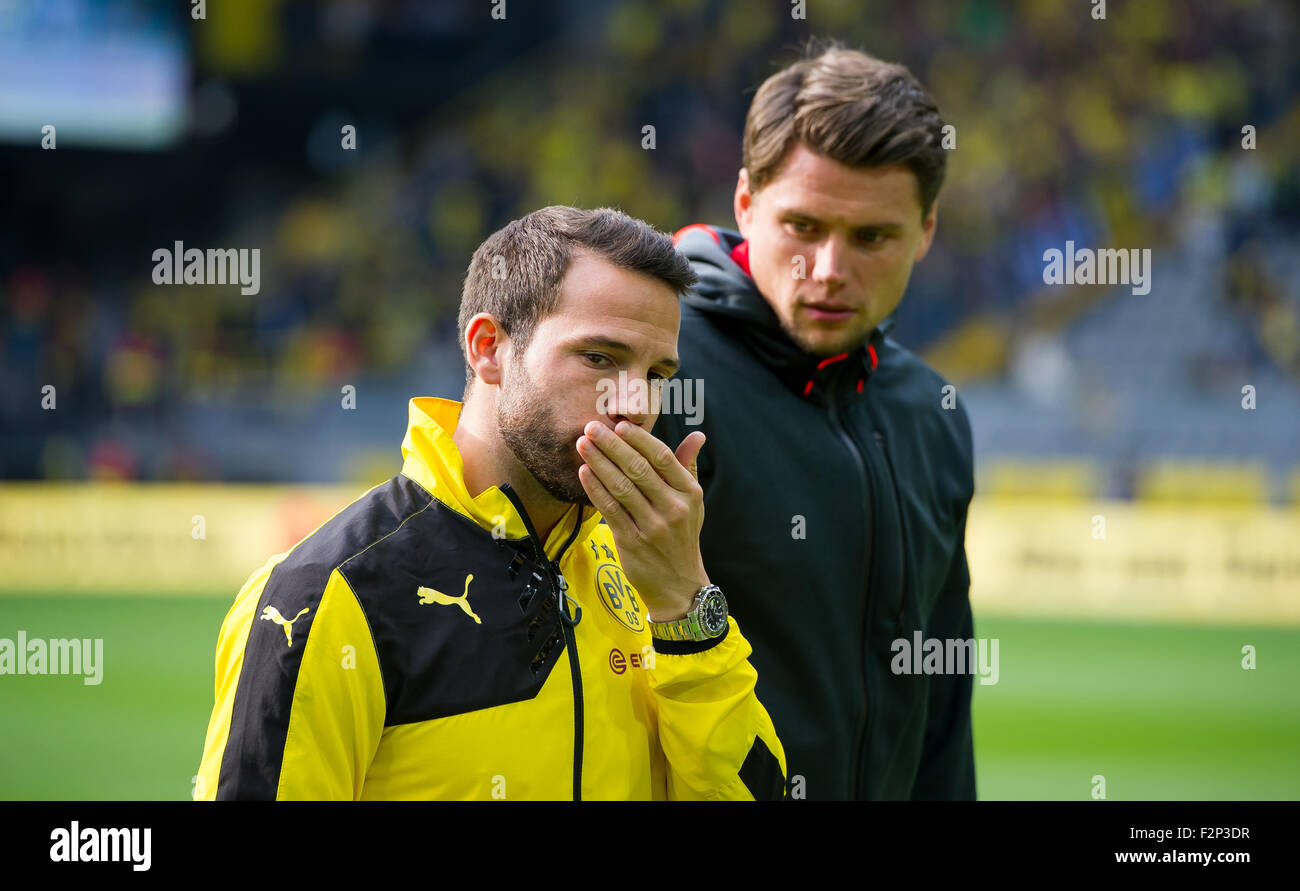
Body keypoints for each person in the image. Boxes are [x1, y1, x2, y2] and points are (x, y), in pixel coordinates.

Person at [195, 205, 786, 800]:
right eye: (600, 358)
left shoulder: (647, 573)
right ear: (488, 348)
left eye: (658, 374)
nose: (633, 403)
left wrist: (686, 607)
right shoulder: (325, 599)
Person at [654, 43, 975, 799]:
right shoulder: (650, 374)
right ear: (744, 204)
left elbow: (942, 703)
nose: (829, 268)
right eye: (802, 226)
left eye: (871, 238)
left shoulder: (933, 413)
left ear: (926, 232)